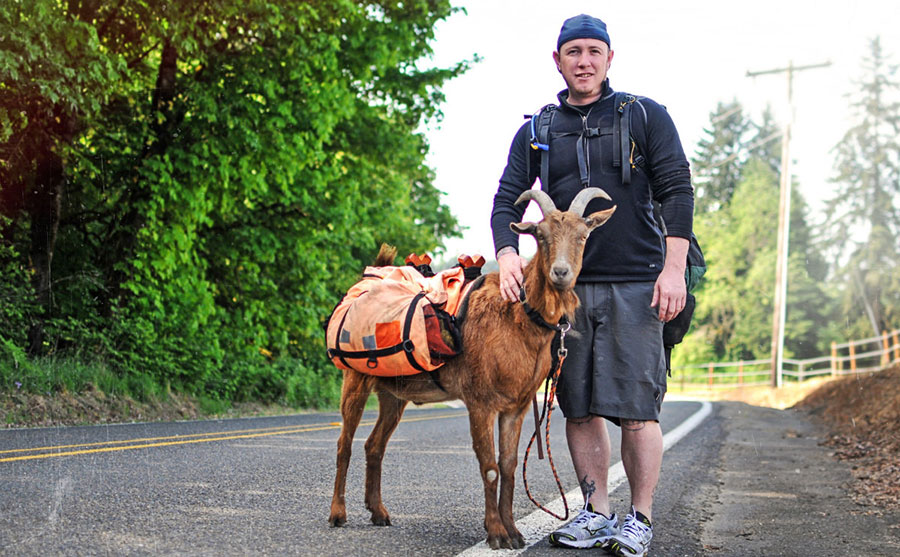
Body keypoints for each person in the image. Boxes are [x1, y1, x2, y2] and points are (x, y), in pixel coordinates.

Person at [490, 14, 693, 557]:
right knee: (577, 405)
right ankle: (597, 513)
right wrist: (507, 254)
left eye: (593, 51)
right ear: (557, 60)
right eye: (573, 51)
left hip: (636, 282)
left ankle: (640, 519)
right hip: (562, 297)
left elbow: (676, 189)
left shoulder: (644, 115)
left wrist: (673, 270)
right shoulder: (538, 129)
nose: (583, 60)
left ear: (609, 58)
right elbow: (507, 195)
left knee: (635, 408)